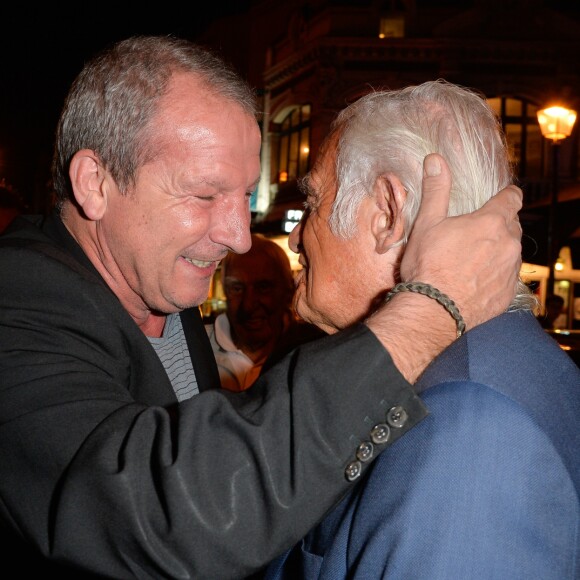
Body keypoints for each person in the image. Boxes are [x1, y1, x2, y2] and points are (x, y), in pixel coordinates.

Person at [0, 36, 523, 579]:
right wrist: (429, 310)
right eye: (204, 196)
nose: (239, 238)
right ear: (95, 183)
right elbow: (152, 513)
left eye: (244, 198)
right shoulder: (18, 292)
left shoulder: (162, 287)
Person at [264, 80, 580, 580]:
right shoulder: (481, 366)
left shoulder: (471, 427)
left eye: (314, 203)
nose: (298, 235)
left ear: (387, 213)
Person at [207, 233, 323, 391]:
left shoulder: (314, 353)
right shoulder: (191, 349)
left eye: (263, 288)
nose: (248, 305)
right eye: (237, 288)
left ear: (288, 292)